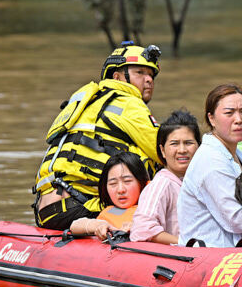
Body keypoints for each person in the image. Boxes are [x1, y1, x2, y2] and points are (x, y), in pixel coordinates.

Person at [32, 42, 163, 230]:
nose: (148, 79)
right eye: (140, 73)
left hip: (46, 209)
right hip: (82, 207)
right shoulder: (129, 104)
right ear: (117, 76)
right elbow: (166, 153)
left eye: (151, 74)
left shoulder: (88, 100)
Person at [177, 84, 242, 247]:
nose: (238, 120)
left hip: (236, 247)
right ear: (211, 118)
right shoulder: (211, 160)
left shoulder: (233, 152)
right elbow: (237, 219)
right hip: (210, 254)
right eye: (229, 113)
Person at [130, 110, 202, 244]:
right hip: (182, 258)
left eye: (188, 143)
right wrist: (185, 244)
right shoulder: (162, 185)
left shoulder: (200, 181)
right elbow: (141, 229)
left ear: (199, 146)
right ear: (162, 150)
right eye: (174, 144)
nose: (182, 150)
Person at [70, 152, 149, 241]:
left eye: (127, 181)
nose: (120, 190)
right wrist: (99, 225)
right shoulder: (107, 212)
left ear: (142, 183)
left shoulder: (156, 208)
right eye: (113, 183)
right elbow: (74, 226)